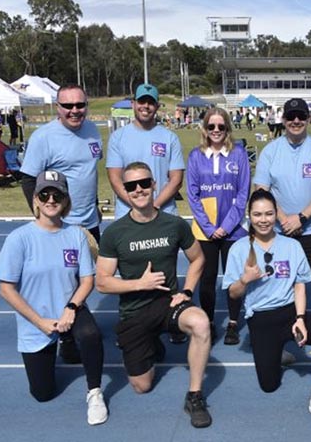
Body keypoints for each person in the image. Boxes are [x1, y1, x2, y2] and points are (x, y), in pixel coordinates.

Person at [95, 162, 213, 429]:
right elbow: (102, 283)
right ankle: (152, 343)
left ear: (154, 184)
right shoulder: (115, 232)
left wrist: (186, 291)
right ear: (124, 191)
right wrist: (140, 283)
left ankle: (194, 396)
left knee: (201, 323)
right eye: (131, 186)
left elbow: (197, 260)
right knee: (141, 386)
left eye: (144, 183)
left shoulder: (174, 224)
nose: (138, 190)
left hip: (169, 304)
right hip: (134, 312)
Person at [0, 170, 107, 425]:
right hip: (37, 321)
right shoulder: (18, 239)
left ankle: (95, 392)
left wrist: (71, 307)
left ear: (66, 200)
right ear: (36, 199)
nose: (51, 199)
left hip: (71, 310)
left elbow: (88, 280)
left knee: (91, 335)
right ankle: (57, 347)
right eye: (45, 194)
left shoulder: (76, 234)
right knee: (43, 394)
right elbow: (6, 289)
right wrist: (40, 322)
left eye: (57, 194)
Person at [223, 189, 311, 424]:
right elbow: (233, 292)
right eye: (258, 214)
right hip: (261, 319)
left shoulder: (291, 246)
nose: (264, 219)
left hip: (290, 313)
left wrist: (300, 317)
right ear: (250, 216)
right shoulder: (239, 249)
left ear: (275, 215)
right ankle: (278, 351)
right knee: (269, 386)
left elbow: (299, 284)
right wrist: (244, 280)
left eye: (269, 214)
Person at [254, 97, 311, 318]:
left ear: (309, 118)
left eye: (301, 116)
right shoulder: (271, 151)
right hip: (280, 231)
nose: (296, 120)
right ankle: (284, 326)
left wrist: (301, 218)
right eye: (291, 116)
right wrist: (284, 219)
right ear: (283, 120)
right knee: (281, 280)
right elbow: (262, 189)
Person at [187, 107, 250, 344]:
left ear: (227, 128)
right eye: (211, 126)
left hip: (233, 229)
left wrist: (226, 226)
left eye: (221, 126)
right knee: (208, 278)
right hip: (205, 231)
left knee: (234, 278)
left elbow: (243, 193)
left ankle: (233, 323)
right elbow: (193, 195)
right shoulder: (195, 156)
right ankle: (210, 322)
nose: (216, 131)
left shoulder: (239, 154)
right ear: (204, 128)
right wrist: (209, 227)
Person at [20, 84, 102, 242]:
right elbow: (29, 181)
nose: (75, 110)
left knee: (93, 267)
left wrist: (95, 204)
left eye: (80, 105)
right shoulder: (42, 137)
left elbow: (89, 171)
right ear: (58, 107)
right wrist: (40, 215)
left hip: (90, 224)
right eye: (68, 106)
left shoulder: (93, 130)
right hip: (60, 224)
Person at [106, 83, 185, 220]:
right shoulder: (117, 137)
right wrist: (137, 206)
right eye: (142, 101)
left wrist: (154, 206)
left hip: (163, 214)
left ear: (157, 106)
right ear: (133, 104)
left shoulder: (170, 138)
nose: (146, 106)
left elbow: (176, 180)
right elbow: (115, 179)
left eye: (151, 102)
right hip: (128, 214)